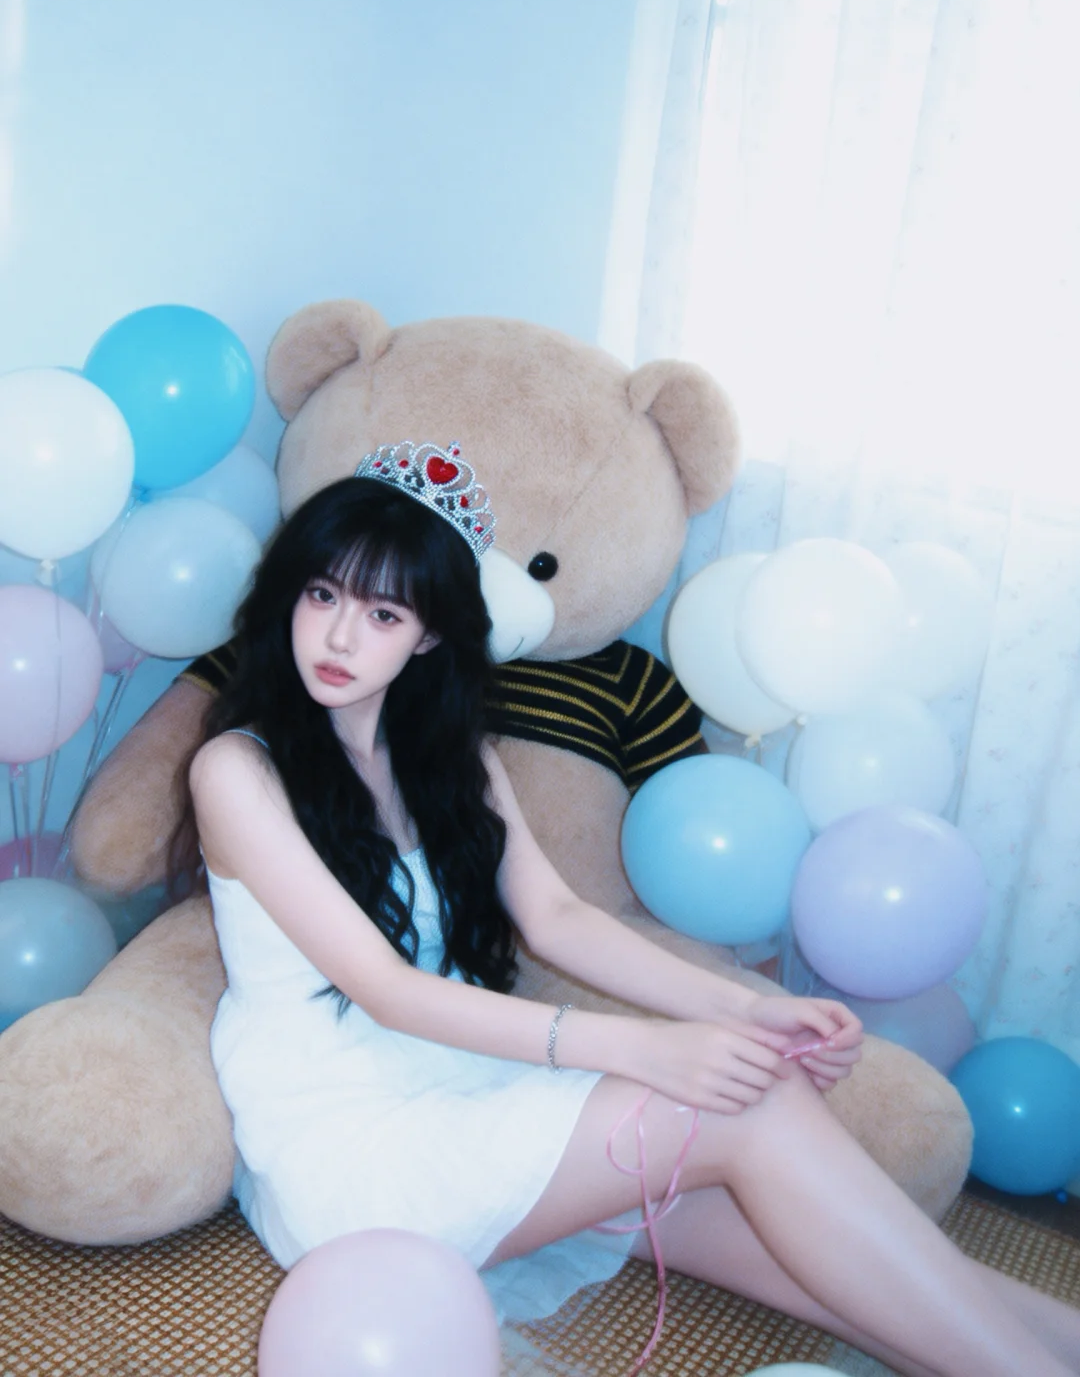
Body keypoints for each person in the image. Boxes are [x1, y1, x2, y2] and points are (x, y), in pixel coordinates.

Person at [174, 440, 1080, 1377]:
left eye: (382, 613)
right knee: (754, 1111)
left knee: (842, 1259)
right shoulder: (238, 770)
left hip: (463, 1081)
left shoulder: (450, 759)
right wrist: (643, 1048)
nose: (337, 638)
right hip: (351, 1143)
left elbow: (558, 919)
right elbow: (387, 990)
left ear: (430, 635)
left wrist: (748, 1008)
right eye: (321, 595)